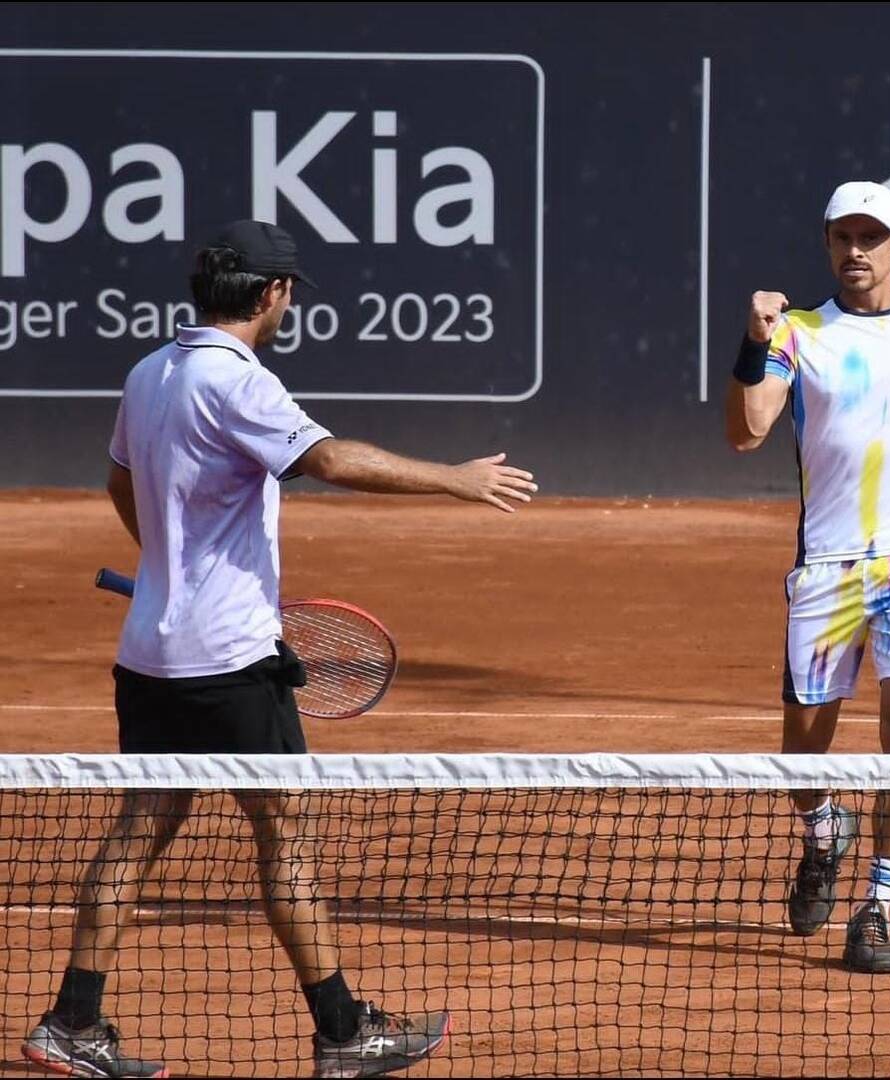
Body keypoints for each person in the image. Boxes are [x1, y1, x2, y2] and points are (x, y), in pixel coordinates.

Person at [22, 220, 538, 1079]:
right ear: (270, 295)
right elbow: (329, 459)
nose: (290, 299)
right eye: (289, 288)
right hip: (229, 662)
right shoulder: (240, 382)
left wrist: (168, 567)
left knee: (140, 828)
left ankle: (73, 1020)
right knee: (287, 832)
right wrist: (457, 478)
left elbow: (120, 480)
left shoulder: (149, 372)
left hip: (150, 655)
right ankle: (342, 1031)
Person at [725, 182, 890, 974]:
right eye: (843, 238)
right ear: (827, 242)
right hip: (827, 568)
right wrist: (751, 340)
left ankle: (876, 905)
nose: (855, 252)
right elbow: (746, 432)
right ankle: (822, 832)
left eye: (870, 239)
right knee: (800, 760)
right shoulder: (798, 333)